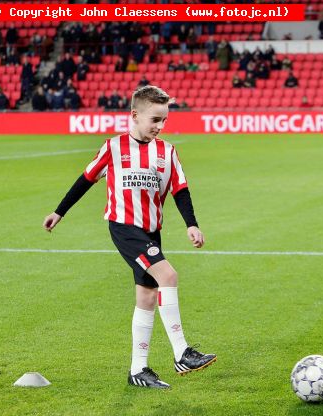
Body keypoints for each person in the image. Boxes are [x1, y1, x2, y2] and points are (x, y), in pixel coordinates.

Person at [42, 85, 217, 389]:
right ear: (135, 115)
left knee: (147, 297)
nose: (160, 127)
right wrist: (60, 212)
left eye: (164, 121)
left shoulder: (167, 151)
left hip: (151, 231)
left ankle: (138, 369)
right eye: (155, 120)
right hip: (124, 227)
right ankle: (181, 352)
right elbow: (85, 180)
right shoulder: (113, 147)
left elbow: (181, 190)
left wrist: (191, 224)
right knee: (168, 275)